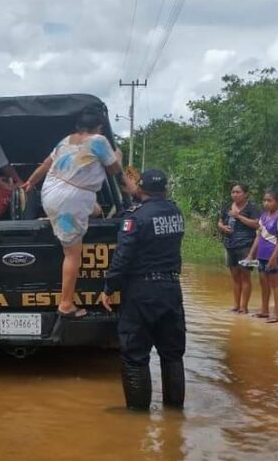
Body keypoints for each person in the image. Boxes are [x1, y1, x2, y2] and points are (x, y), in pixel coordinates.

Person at [22, 105, 123, 317]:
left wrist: (31, 181)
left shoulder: (66, 140)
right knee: (72, 254)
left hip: (51, 193)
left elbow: (46, 165)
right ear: (98, 127)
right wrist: (118, 157)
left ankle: (55, 220)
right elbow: (114, 170)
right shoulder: (99, 141)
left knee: (95, 210)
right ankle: (66, 304)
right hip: (69, 201)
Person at [102, 169, 186, 411]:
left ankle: (137, 418)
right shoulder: (176, 212)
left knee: (135, 355)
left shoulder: (135, 217)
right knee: (172, 354)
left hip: (142, 291)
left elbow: (122, 257)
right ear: (165, 189)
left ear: (141, 187)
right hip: (172, 288)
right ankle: (174, 416)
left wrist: (109, 288)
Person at [246, 189, 278, 324]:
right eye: (264, 200)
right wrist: (251, 254)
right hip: (262, 255)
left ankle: (277, 313)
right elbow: (259, 236)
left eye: (269, 201)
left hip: (273, 254)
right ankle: (264, 310)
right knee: (263, 283)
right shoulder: (263, 216)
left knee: (274, 283)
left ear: (277, 202)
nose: (266, 203)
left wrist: (274, 257)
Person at [218, 184, 261, 314]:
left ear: (246, 194)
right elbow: (219, 221)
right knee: (235, 277)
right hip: (230, 245)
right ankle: (236, 305)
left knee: (245, 276)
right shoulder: (227, 206)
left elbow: (256, 224)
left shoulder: (252, 208)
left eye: (238, 192)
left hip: (246, 246)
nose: (235, 194)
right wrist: (222, 227)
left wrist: (238, 216)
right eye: (233, 192)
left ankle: (244, 307)